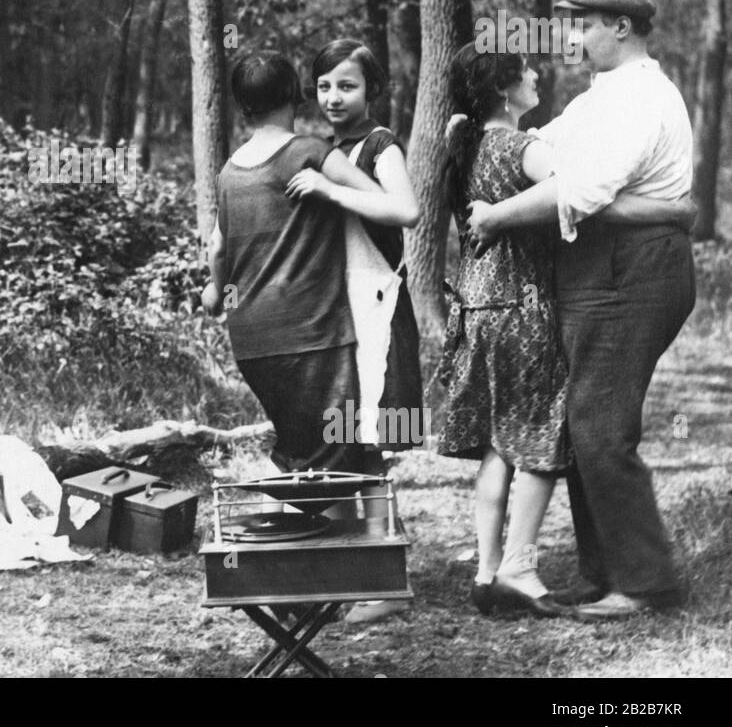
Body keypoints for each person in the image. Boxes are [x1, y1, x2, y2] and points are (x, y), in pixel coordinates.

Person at [433, 43, 692, 619]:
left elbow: (558, 169)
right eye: (524, 70)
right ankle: (528, 568)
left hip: (481, 307)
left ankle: (493, 568)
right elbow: (576, 192)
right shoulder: (530, 142)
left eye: (585, 27)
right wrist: (671, 211)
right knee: (549, 434)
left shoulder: (473, 142)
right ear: (504, 89)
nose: (539, 70)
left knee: (518, 440)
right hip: (523, 308)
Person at [201, 51, 396, 473]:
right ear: (296, 95)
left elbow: (217, 249)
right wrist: (329, 187)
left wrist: (216, 291)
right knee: (337, 451)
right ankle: (322, 533)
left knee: (297, 445)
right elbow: (383, 201)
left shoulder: (229, 173)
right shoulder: (310, 151)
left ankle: (296, 524)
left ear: (239, 106)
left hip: (252, 342)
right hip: (313, 335)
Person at [286, 40, 423, 459]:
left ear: (372, 89)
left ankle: (380, 525)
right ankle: (343, 520)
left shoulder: (382, 144)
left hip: (377, 297)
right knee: (343, 426)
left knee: (378, 426)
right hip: (337, 301)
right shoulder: (324, 149)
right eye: (324, 86)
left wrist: (331, 189)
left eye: (347, 86)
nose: (333, 97)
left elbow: (407, 211)